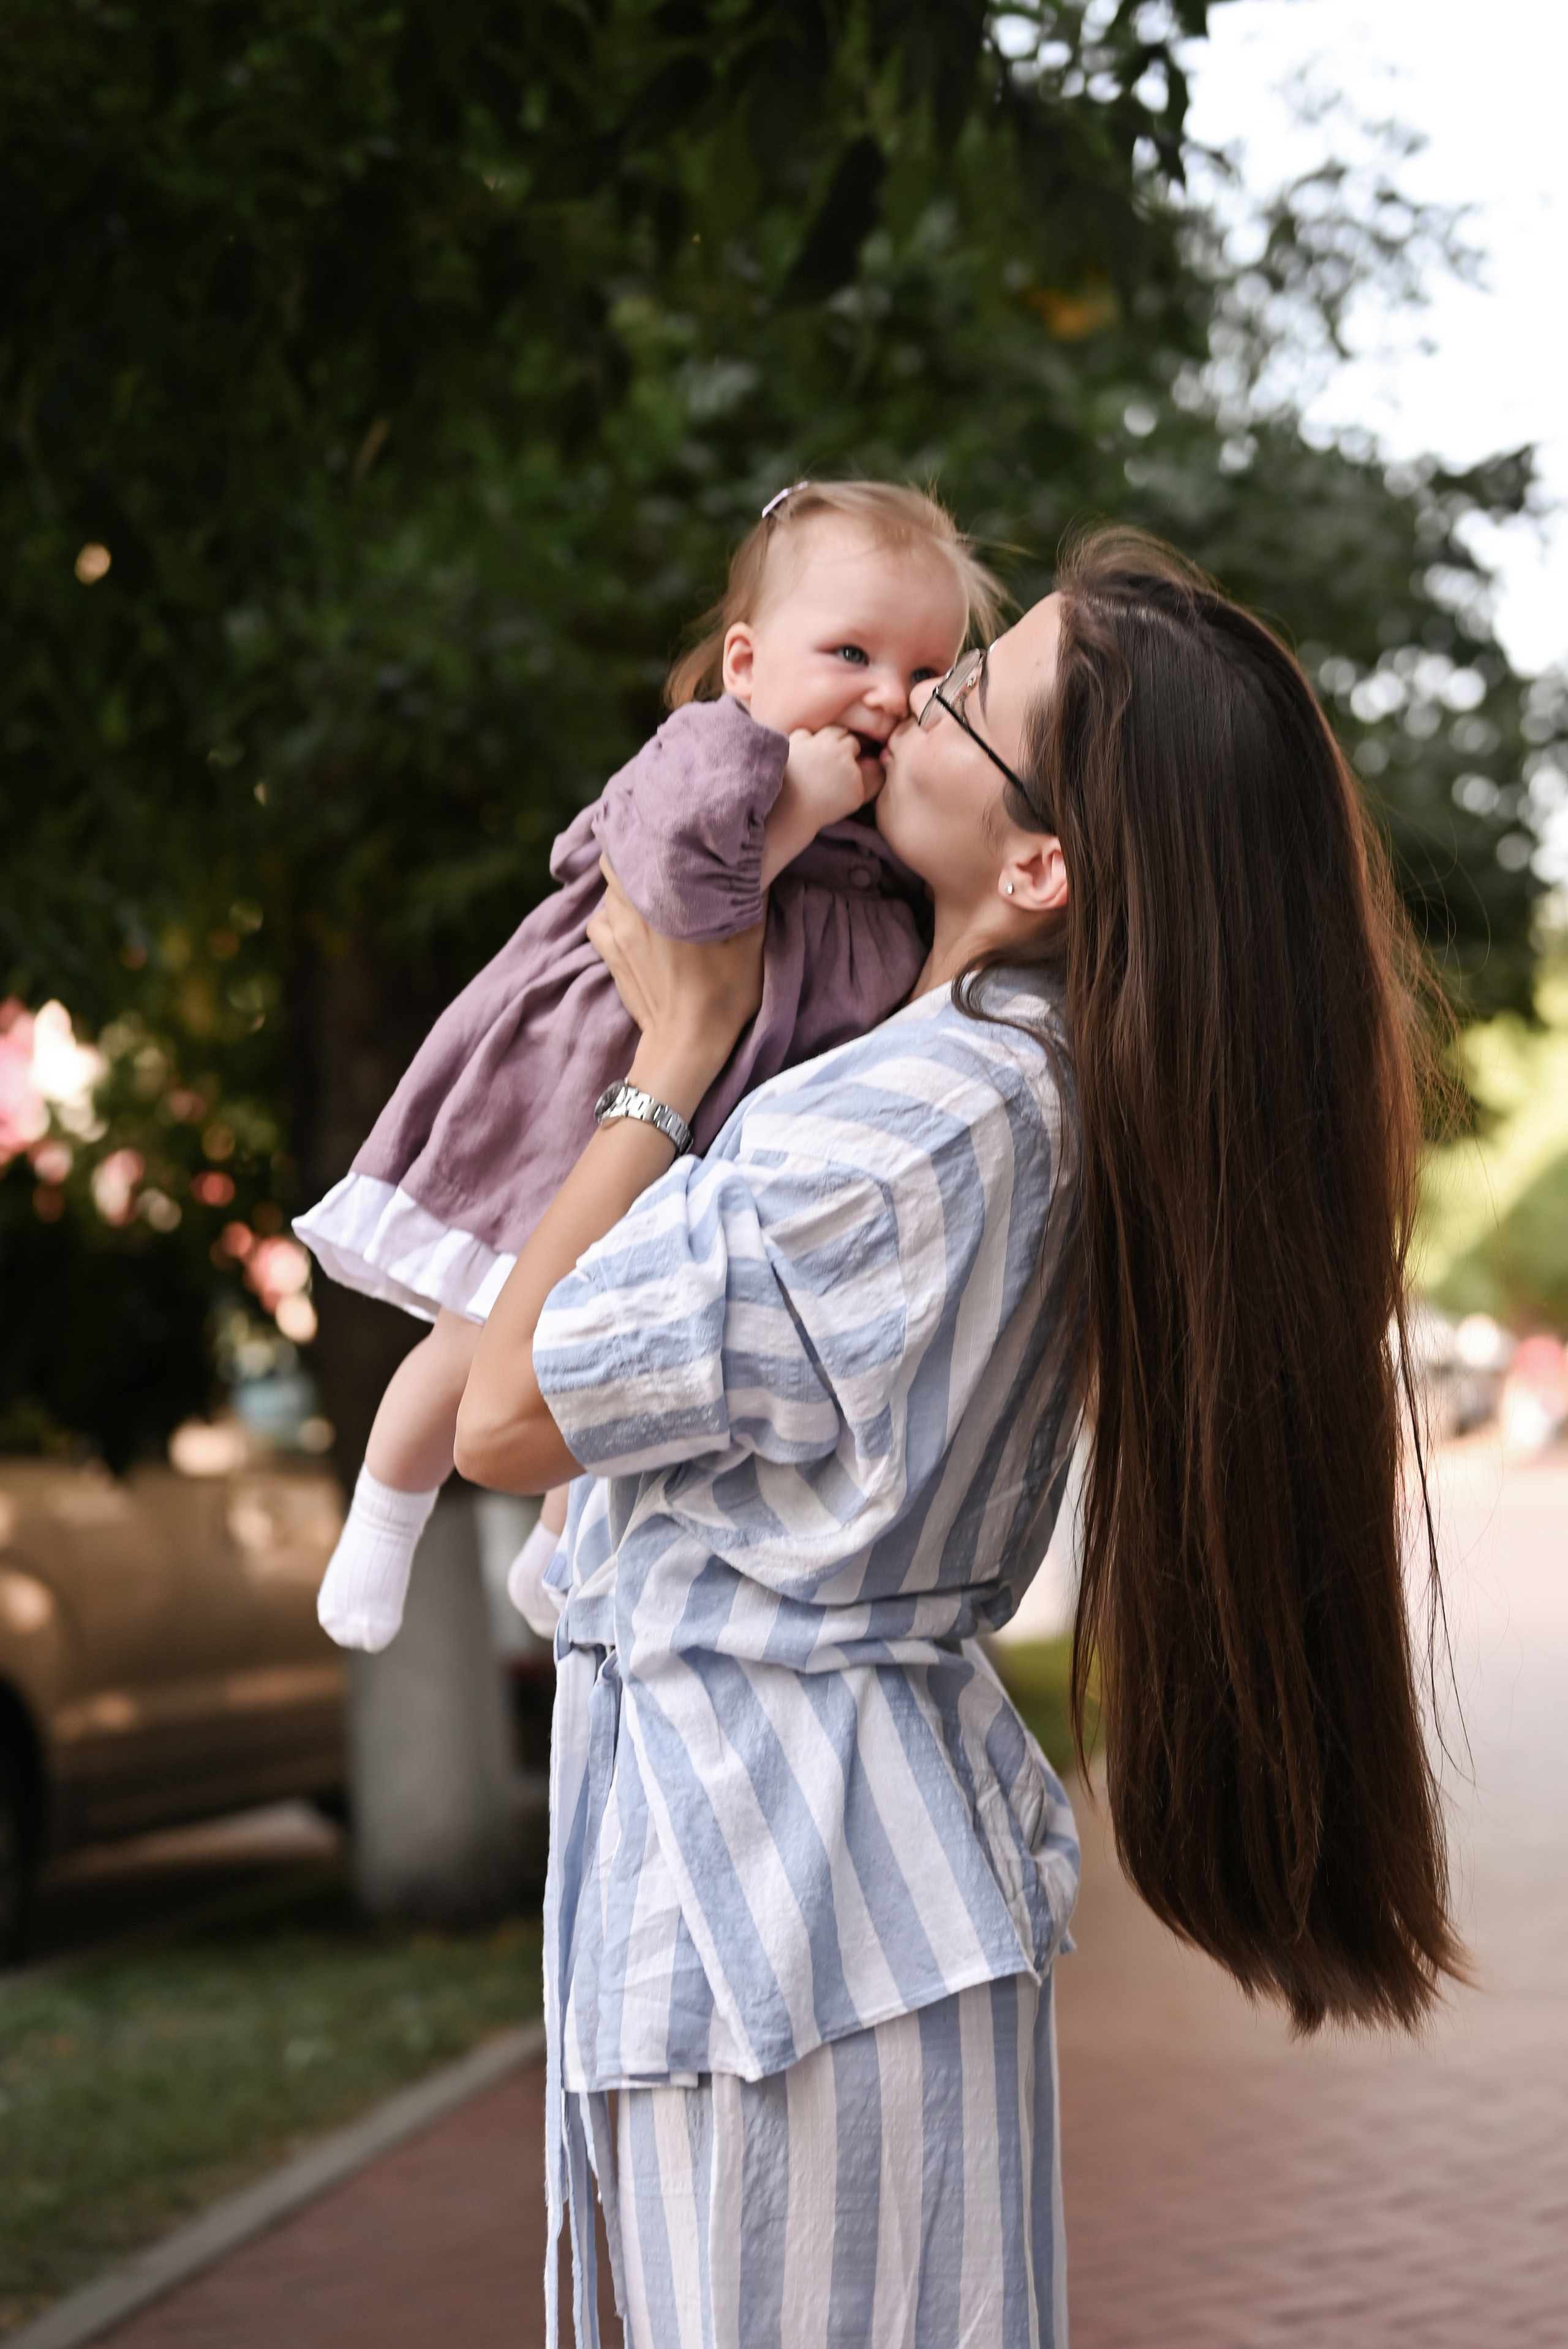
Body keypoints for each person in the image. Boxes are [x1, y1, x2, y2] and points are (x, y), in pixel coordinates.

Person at [455, 527, 1463, 2349]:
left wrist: (671, 1051)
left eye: (962, 696)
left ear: (1040, 861)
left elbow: (509, 1411)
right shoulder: (1005, 1083)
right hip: (828, 1896)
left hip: (777, 1909)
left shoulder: (908, 1128)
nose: (903, 704)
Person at [295, 481, 1001, 1650]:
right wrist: (794, 814)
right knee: (493, 1319)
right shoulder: (720, 756)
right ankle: (386, 1505)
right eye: (852, 653)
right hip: (598, 1081)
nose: (889, 693)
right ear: (746, 665)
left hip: (713, 1123)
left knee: (606, 1343)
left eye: (928, 671)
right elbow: (673, 899)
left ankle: (555, 1550)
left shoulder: (888, 823)